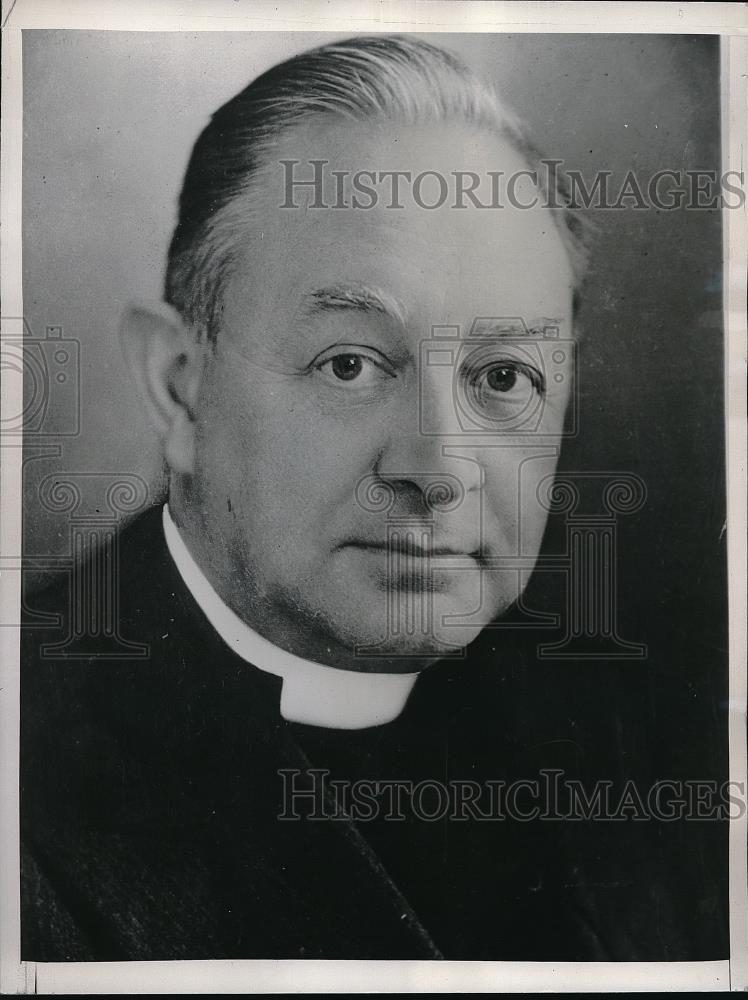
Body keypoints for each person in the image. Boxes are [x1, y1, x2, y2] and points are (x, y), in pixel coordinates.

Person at [20, 35, 727, 961]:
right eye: (349, 363)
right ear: (179, 385)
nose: (437, 469)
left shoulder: (644, 753)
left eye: (504, 376)